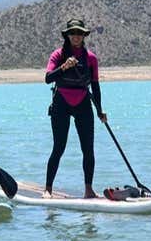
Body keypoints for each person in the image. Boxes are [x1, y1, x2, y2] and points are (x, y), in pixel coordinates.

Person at [44, 19, 107, 199]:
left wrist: (100, 111)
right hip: (61, 104)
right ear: (67, 35)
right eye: (73, 33)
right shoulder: (57, 55)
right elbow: (48, 79)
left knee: (88, 149)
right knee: (59, 147)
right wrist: (64, 67)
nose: (76, 36)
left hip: (83, 104)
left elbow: (95, 86)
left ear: (84, 35)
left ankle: (88, 189)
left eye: (80, 33)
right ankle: (48, 189)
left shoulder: (91, 58)